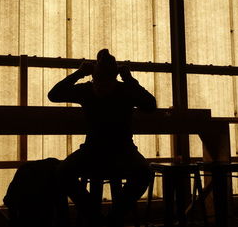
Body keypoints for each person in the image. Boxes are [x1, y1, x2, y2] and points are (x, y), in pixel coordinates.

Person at [48, 49, 157, 227]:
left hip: (92, 150)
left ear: (93, 75)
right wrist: (129, 78)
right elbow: (150, 105)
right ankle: (113, 218)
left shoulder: (87, 90)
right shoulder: (125, 90)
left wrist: (79, 72)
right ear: (116, 74)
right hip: (123, 151)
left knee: (62, 172)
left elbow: (54, 95)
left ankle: (95, 217)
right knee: (144, 174)